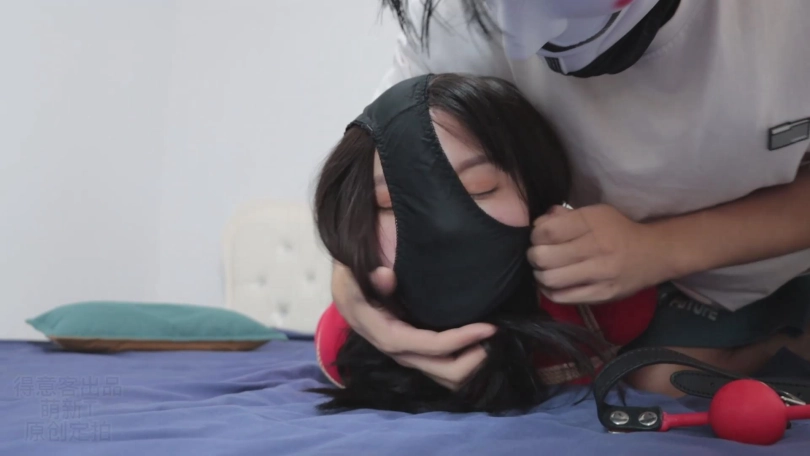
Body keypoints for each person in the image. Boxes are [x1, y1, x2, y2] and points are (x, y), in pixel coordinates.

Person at [328, 0, 810, 396]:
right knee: (662, 375)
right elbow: (375, 166)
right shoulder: (449, 25)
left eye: (482, 187)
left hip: (773, 259)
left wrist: (660, 248)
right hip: (672, 297)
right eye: (387, 205)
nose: (522, 36)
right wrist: (352, 275)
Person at [310, 72, 657, 413]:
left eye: (481, 187)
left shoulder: (603, 305)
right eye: (389, 204)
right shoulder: (346, 343)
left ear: (535, 191)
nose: (443, 229)